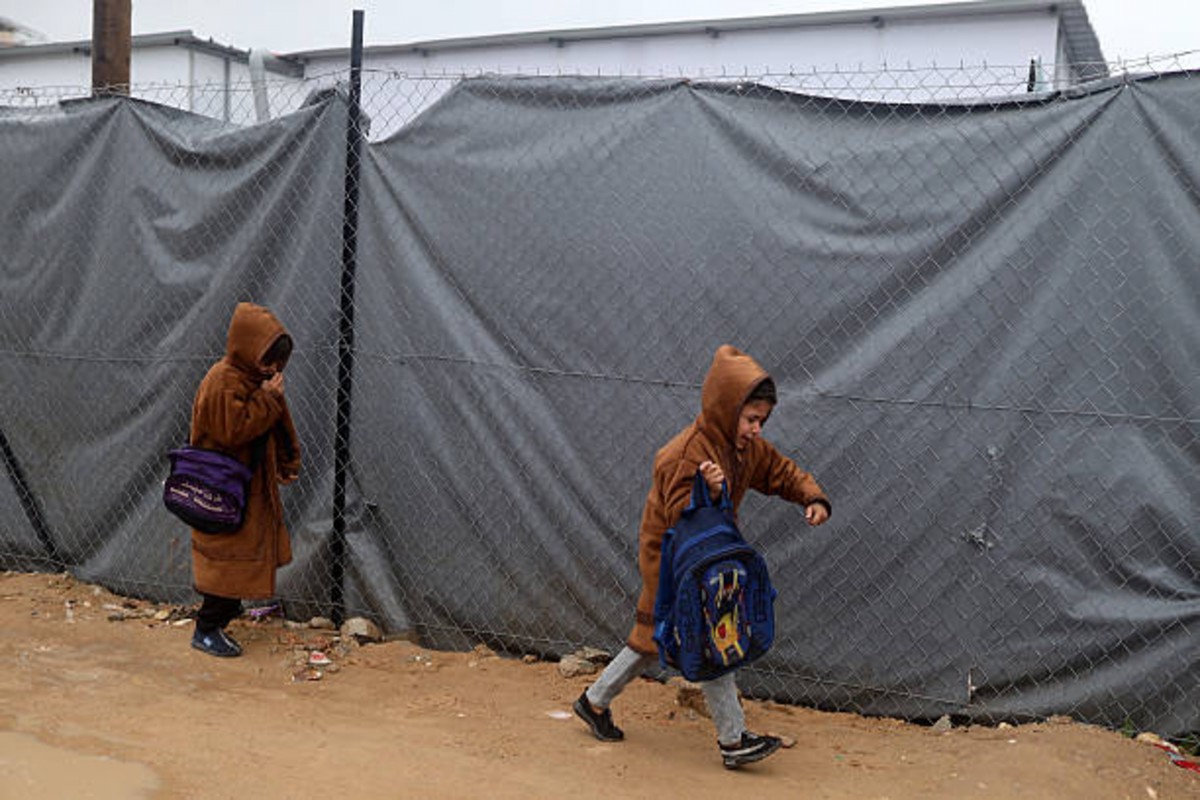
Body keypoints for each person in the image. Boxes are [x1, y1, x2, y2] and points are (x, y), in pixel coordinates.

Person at [574, 344, 831, 769]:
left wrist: (811, 495)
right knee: (713, 636)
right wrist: (708, 492)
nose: (756, 429)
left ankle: (594, 700)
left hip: (709, 559)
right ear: (726, 409)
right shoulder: (685, 452)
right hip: (674, 558)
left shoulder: (746, 448)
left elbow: (779, 472)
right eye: (750, 419)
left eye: (762, 421)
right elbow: (680, 515)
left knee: (653, 636)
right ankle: (733, 741)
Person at [187, 302, 301, 658]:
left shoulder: (253, 379)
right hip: (223, 488)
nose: (272, 370)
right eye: (268, 361)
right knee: (228, 557)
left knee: (240, 553)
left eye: (278, 365)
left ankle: (224, 609)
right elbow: (231, 431)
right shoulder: (223, 381)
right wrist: (268, 400)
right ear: (247, 348)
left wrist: (287, 459)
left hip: (246, 487)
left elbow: (275, 424)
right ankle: (207, 628)